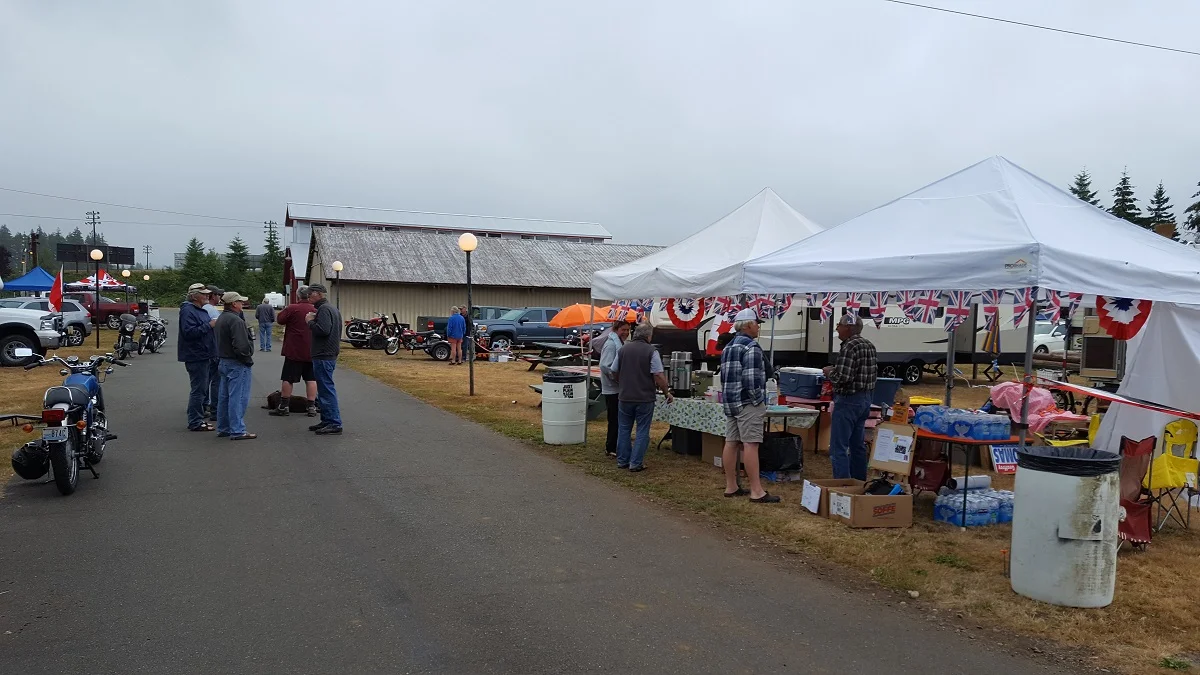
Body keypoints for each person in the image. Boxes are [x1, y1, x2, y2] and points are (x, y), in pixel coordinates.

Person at [719, 308, 780, 503]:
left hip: (730, 401)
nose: (759, 327)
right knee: (751, 444)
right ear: (748, 325)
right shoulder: (752, 347)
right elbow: (752, 380)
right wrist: (758, 401)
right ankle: (757, 491)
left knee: (731, 443)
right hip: (747, 402)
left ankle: (731, 486)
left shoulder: (728, 346)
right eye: (757, 323)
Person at [823, 312, 878, 480]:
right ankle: (859, 481)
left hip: (848, 401)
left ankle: (842, 485)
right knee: (857, 445)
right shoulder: (869, 345)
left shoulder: (849, 346)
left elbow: (844, 378)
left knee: (838, 447)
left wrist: (829, 373)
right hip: (865, 399)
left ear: (848, 327)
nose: (837, 329)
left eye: (839, 325)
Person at [611, 322, 673, 472]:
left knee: (624, 429)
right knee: (642, 430)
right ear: (648, 336)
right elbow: (658, 375)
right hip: (644, 397)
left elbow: (613, 370)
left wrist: (622, 381)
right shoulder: (651, 351)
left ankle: (622, 461)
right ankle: (636, 463)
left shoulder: (623, 349)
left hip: (625, 396)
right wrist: (666, 392)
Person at [271, 286, 318, 417]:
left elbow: (280, 320)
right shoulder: (315, 309)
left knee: (288, 378)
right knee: (311, 379)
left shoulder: (292, 308)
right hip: (311, 350)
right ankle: (311, 406)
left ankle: (284, 406)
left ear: (298, 296)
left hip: (294, 350)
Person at [215, 291, 256, 440]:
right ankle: (237, 430)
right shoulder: (236, 321)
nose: (242, 304)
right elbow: (241, 346)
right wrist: (247, 357)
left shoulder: (222, 318)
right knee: (238, 397)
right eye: (240, 302)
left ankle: (224, 427)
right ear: (234, 304)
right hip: (236, 362)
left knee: (224, 396)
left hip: (223, 360)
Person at [178, 282, 217, 432]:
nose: (208, 295)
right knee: (198, 390)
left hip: (204, 354)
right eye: (204, 294)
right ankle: (195, 421)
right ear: (194, 296)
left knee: (201, 390)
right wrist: (210, 325)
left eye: (208, 293)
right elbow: (188, 332)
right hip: (196, 355)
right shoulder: (188, 310)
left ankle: (198, 418)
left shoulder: (199, 310)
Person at [306, 284, 343, 434]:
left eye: (310, 294)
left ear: (318, 294)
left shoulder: (324, 309)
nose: (308, 297)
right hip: (327, 353)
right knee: (323, 389)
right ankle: (326, 420)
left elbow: (323, 330)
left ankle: (334, 422)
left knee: (326, 389)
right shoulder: (330, 308)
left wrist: (309, 321)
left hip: (324, 354)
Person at [598, 320, 630, 457]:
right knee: (615, 419)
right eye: (623, 330)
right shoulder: (611, 345)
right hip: (612, 388)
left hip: (617, 388)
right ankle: (611, 447)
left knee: (618, 418)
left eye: (628, 330)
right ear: (616, 330)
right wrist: (616, 377)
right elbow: (605, 365)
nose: (626, 333)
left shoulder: (620, 343)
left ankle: (616, 445)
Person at [201, 285, 223, 421]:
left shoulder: (201, 309)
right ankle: (215, 409)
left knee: (204, 380)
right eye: (218, 295)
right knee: (216, 380)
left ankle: (203, 405)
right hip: (213, 349)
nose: (220, 297)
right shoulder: (212, 311)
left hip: (203, 349)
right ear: (213, 296)